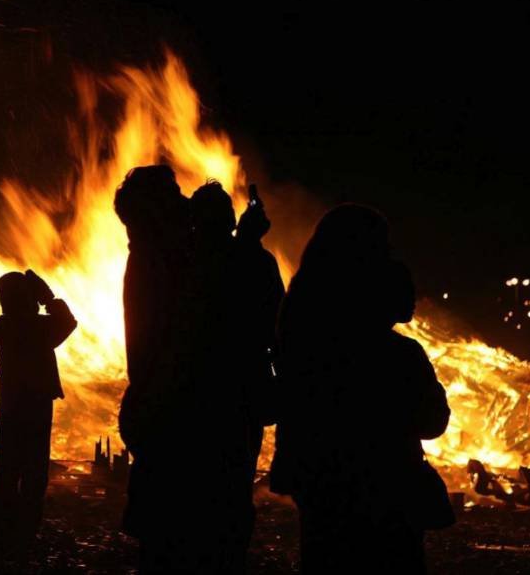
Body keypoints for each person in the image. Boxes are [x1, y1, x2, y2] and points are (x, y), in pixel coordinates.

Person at [270, 204, 451, 574]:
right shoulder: (394, 354)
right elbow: (432, 421)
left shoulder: (299, 332)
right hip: (387, 492)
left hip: (319, 486)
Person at [190, 181, 284, 571]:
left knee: (201, 491)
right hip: (238, 390)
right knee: (232, 490)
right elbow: (278, 327)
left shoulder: (180, 261)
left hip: (202, 392)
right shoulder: (250, 261)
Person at [113, 165, 199, 571]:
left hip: (159, 410)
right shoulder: (162, 264)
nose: (185, 202)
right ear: (158, 211)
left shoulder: (152, 257)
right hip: (175, 414)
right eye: (175, 195)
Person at [0, 269, 76, 554]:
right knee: (32, 472)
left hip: (14, 407)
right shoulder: (22, 327)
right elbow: (66, 323)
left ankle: (7, 531)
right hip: (32, 407)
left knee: (11, 468)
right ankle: (21, 533)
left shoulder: (4, 325)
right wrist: (48, 297)